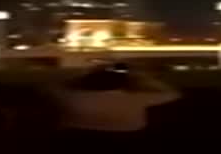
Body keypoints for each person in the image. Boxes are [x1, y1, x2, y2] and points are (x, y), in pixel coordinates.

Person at [49, 63, 180, 151]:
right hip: (127, 142)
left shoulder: (71, 97)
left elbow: (51, 86)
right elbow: (172, 93)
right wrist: (138, 77)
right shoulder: (135, 98)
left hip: (76, 142)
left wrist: (85, 74)